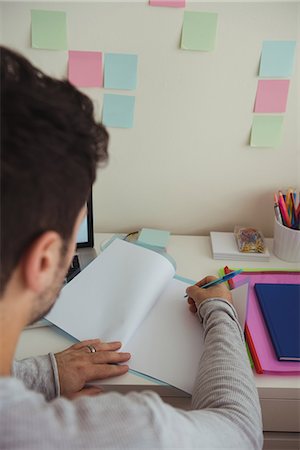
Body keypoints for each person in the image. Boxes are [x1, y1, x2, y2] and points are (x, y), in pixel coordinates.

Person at [0, 46, 263, 449]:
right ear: (45, 259)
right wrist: (220, 310)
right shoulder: (125, 432)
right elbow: (239, 430)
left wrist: (47, 373)